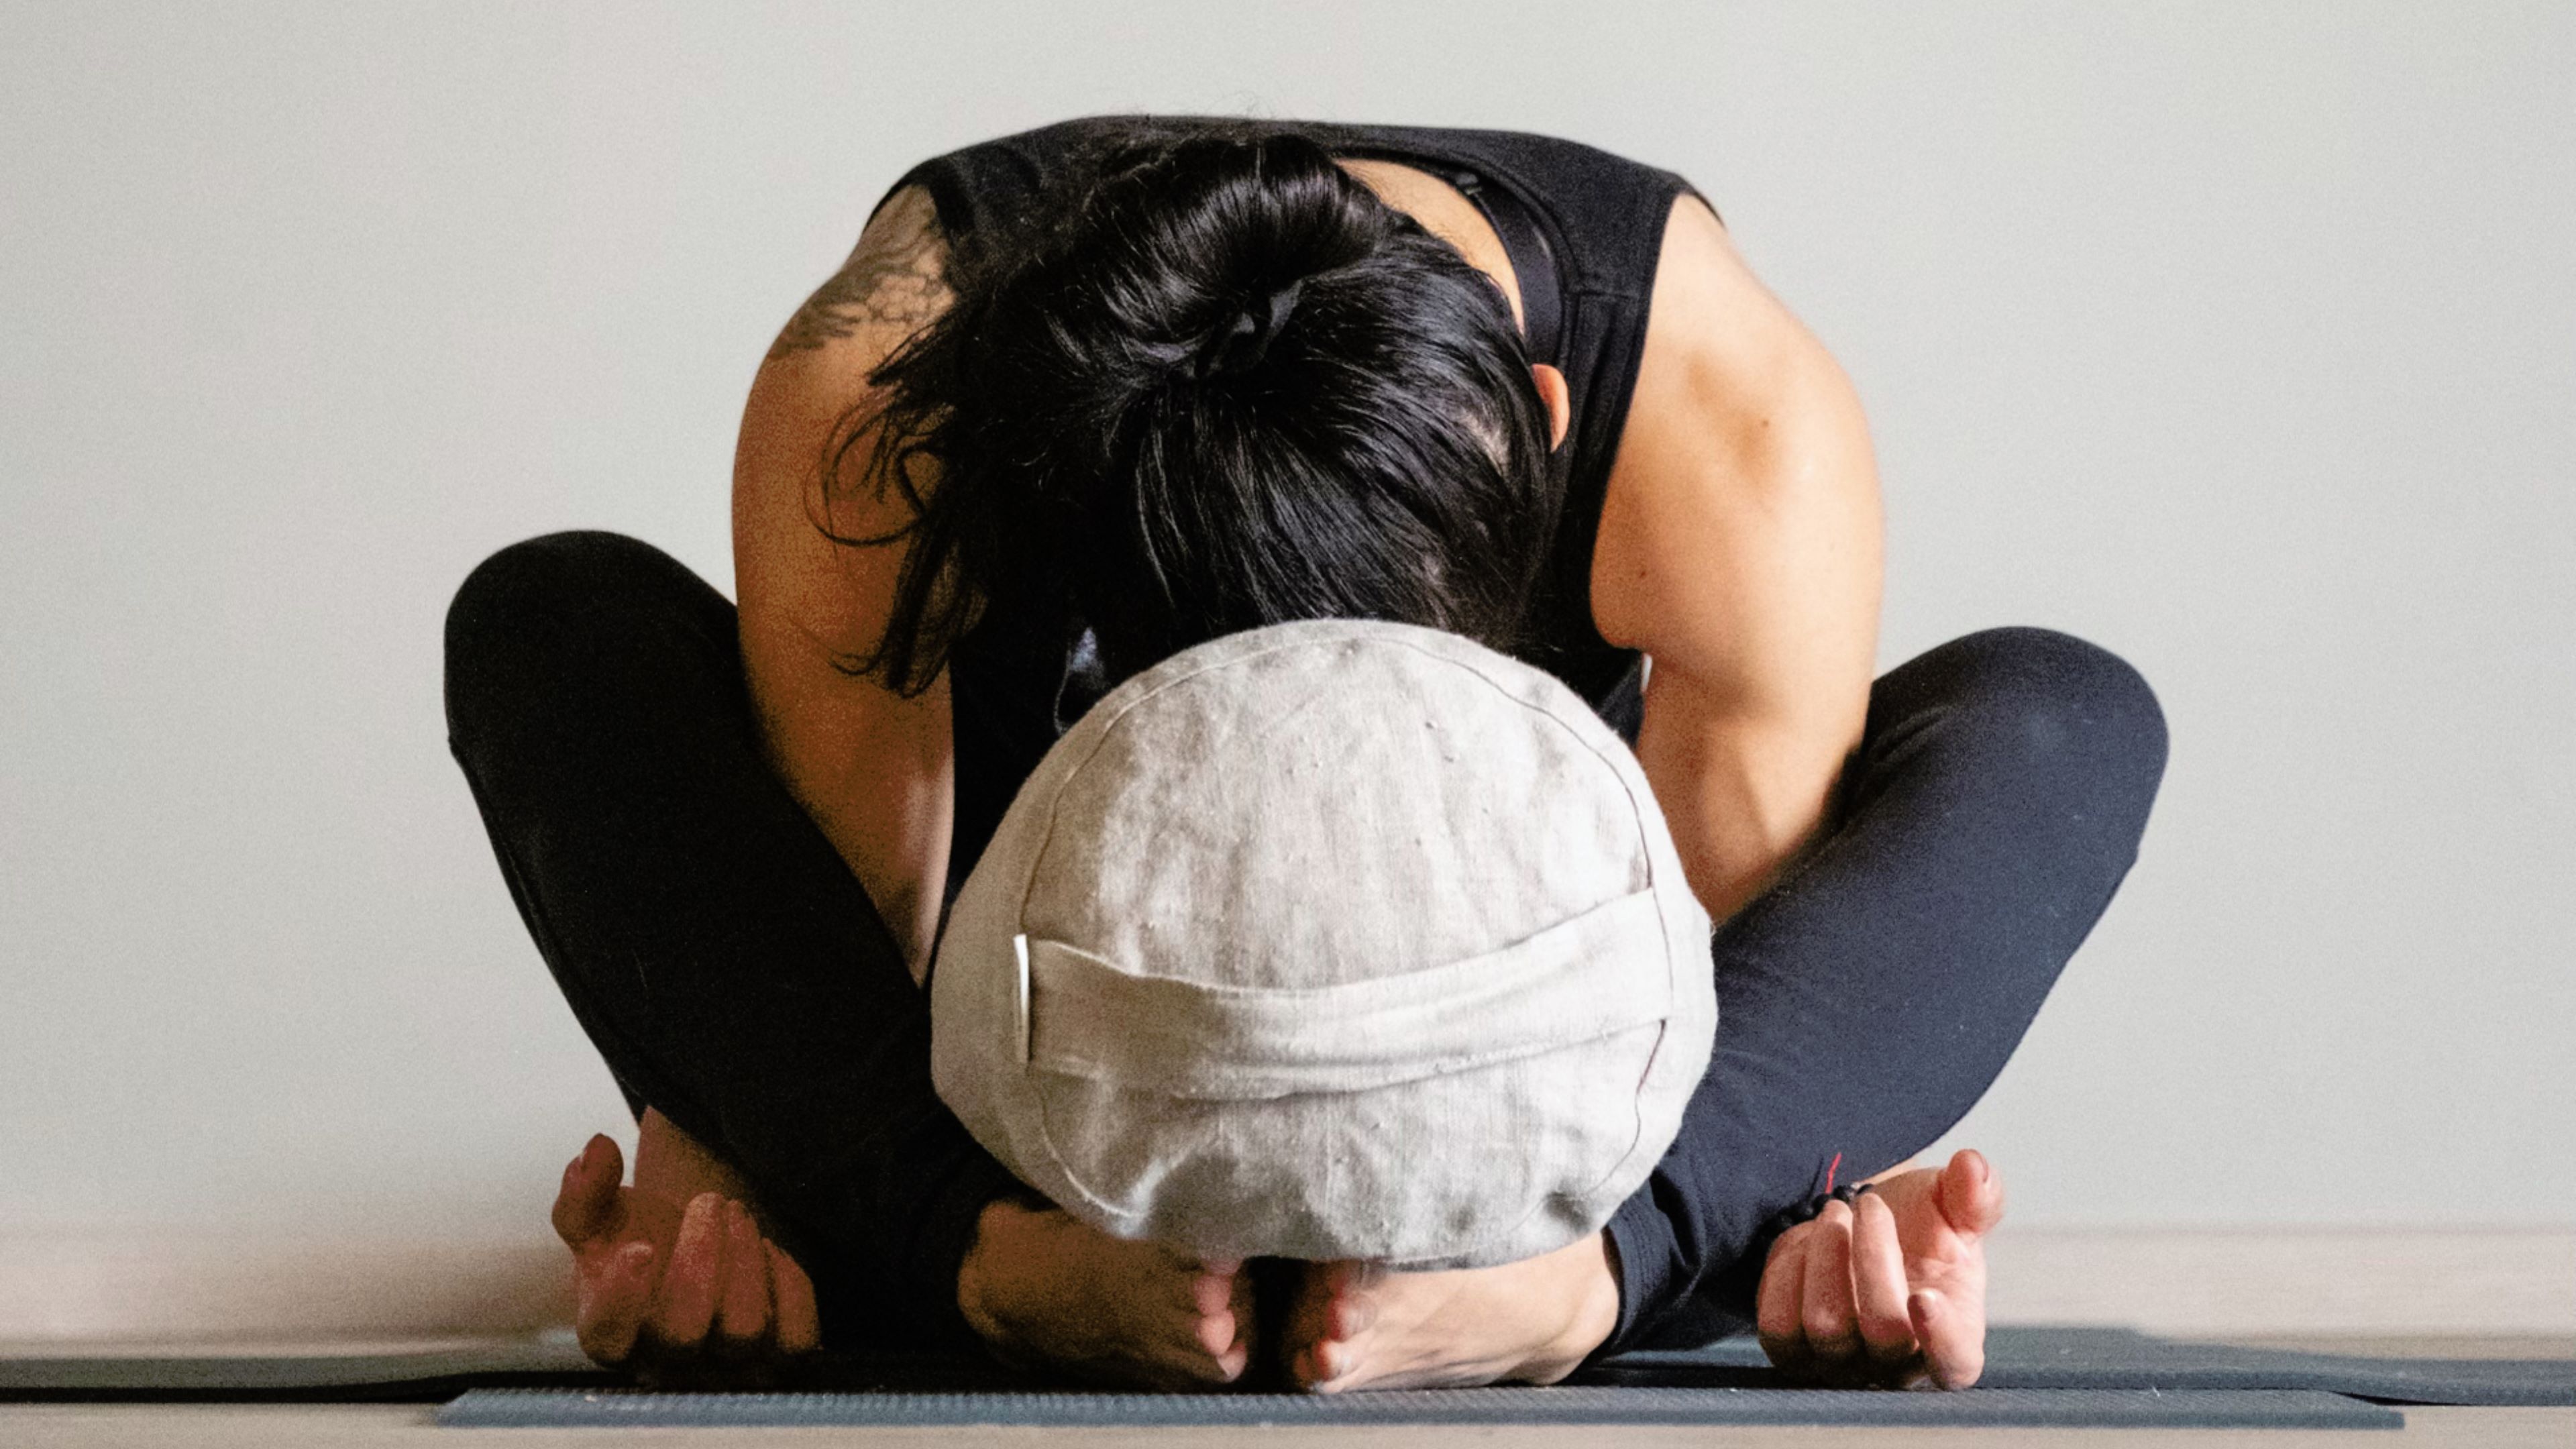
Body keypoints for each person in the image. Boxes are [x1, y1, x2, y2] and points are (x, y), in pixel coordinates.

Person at [444, 116, 2167, 1393]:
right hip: (1061, 1050)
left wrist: (1667, 1240)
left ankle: (1579, 1296)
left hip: (1520, 1030)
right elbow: (857, 983)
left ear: (1540, 440)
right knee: (550, 620)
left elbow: (1674, 1031)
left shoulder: (1723, 421)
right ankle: (995, 1272)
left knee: (2063, 714)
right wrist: (848, 1204)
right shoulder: (887, 401)